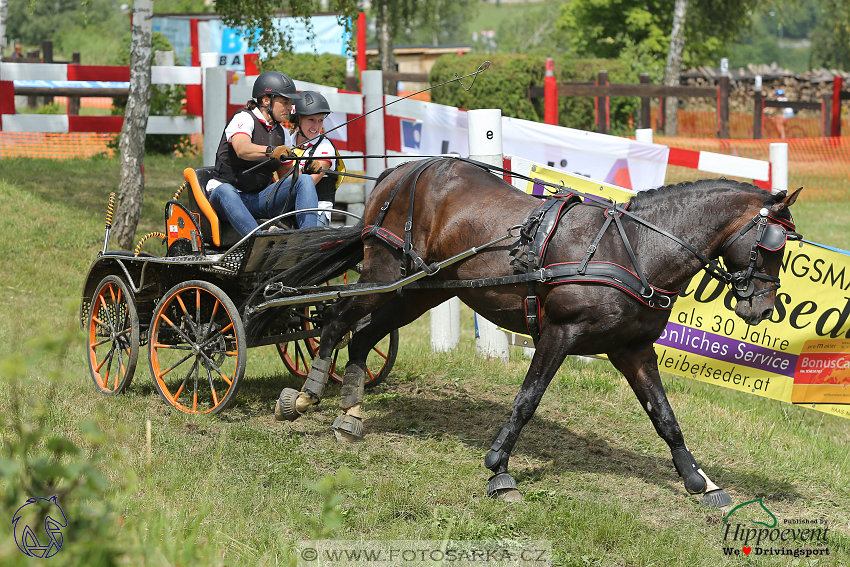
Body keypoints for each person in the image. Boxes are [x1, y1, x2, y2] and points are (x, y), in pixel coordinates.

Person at [207, 70, 320, 236]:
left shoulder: (282, 133)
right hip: (226, 199)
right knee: (225, 190)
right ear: (266, 100)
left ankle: (309, 241)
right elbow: (241, 148)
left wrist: (305, 171)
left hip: (257, 199)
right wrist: (271, 151)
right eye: (285, 102)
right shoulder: (244, 118)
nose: (290, 108)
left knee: (303, 180)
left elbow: (286, 176)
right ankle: (260, 240)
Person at [289, 91, 346, 226]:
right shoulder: (286, 141)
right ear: (298, 119)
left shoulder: (326, 148)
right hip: (286, 209)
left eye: (320, 120)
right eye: (311, 120)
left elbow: (304, 187)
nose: (316, 127)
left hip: (316, 211)